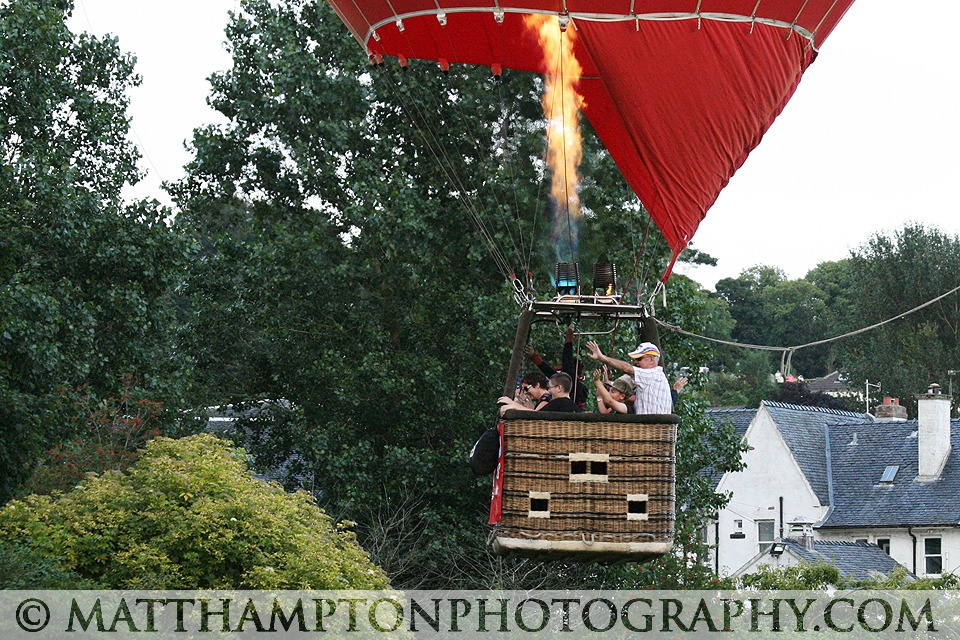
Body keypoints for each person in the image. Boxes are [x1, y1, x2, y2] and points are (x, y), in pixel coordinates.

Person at [586, 340, 673, 415]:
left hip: (652, 427)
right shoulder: (654, 377)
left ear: (651, 360)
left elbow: (626, 369)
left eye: (639, 358)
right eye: (635, 359)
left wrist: (602, 357)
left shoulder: (652, 375)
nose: (636, 362)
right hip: (653, 427)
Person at [523, 323, 589, 410]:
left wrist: (569, 334)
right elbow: (550, 372)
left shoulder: (564, 397)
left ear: (560, 388)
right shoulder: (581, 389)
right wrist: (533, 356)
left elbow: (566, 360)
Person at [498, 372, 581, 414]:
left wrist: (514, 405)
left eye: (550, 387)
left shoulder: (558, 402)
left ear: (559, 388)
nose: (549, 391)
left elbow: (537, 415)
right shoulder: (574, 406)